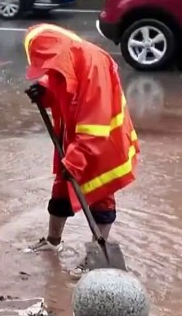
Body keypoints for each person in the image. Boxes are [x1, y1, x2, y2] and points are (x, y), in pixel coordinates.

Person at [22, 23, 140, 254]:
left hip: (105, 143)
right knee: (61, 189)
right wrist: (45, 92)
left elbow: (95, 123)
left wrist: (75, 161)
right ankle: (53, 243)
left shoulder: (94, 65)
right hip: (78, 139)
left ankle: (98, 252)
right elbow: (62, 83)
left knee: (101, 194)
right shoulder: (69, 56)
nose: (47, 71)